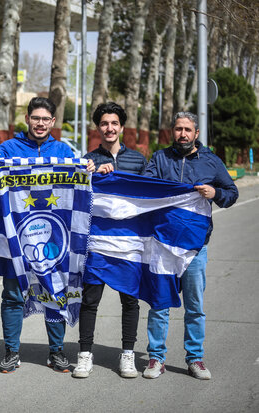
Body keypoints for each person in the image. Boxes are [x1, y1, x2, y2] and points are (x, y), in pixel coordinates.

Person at [0, 97, 95, 374]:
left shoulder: (64, 151)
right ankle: (11, 352)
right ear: (27, 119)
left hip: (54, 238)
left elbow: (79, 183)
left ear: (53, 122)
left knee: (55, 291)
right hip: (18, 237)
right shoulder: (8, 148)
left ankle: (56, 352)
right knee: (12, 295)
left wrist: (88, 169)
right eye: (36, 118)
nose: (40, 123)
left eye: (46, 119)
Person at [142, 111, 238, 380]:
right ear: (172, 131)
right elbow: (145, 188)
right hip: (163, 245)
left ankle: (195, 358)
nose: (182, 134)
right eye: (178, 129)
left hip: (196, 248)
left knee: (194, 307)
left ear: (196, 134)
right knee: (159, 305)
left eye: (187, 129)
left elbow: (232, 194)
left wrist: (215, 193)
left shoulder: (211, 161)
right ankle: (155, 358)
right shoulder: (160, 158)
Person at [72, 102, 147, 379]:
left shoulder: (139, 161)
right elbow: (77, 196)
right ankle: (84, 355)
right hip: (98, 244)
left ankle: (127, 355)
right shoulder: (88, 159)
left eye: (114, 123)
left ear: (122, 127)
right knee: (90, 301)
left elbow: (150, 197)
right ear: (98, 128)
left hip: (129, 244)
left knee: (130, 301)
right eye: (104, 123)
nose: (110, 128)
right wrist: (90, 174)